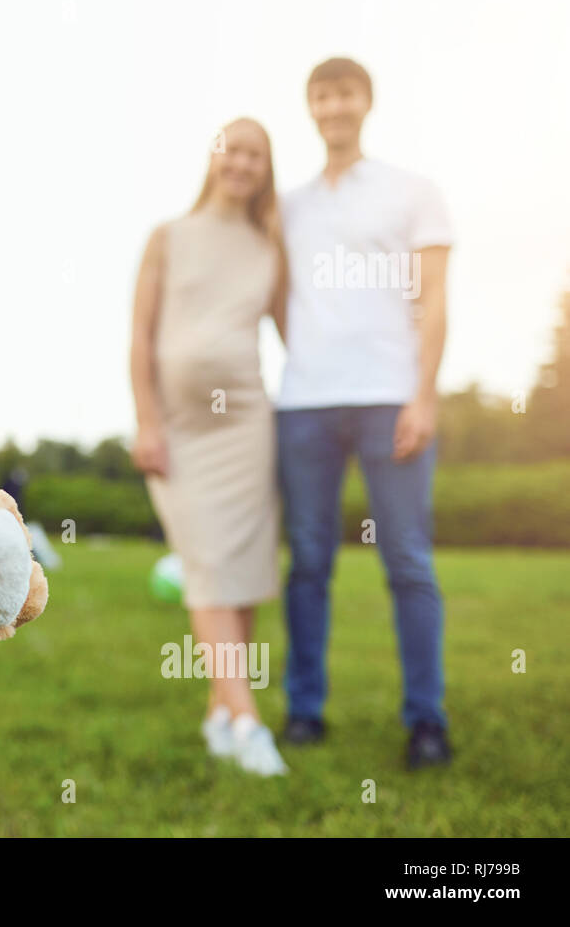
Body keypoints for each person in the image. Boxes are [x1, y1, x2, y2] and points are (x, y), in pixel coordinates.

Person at [276, 58, 453, 769]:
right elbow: (277, 297)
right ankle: (304, 713)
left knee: (407, 558)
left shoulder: (414, 191)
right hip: (305, 404)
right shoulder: (288, 205)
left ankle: (426, 721)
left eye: (344, 93)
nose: (333, 106)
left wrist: (424, 392)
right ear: (311, 108)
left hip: (391, 399)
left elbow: (435, 298)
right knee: (309, 563)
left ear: (366, 102)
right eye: (321, 94)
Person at [130, 118, 290, 776]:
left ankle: (222, 711)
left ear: (266, 167)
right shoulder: (169, 237)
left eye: (256, 154)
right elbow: (140, 336)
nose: (243, 164)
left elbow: (293, 332)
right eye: (234, 150)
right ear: (214, 158)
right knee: (207, 561)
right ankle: (249, 721)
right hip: (182, 429)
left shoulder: (269, 246)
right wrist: (147, 420)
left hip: (248, 422)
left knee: (243, 567)